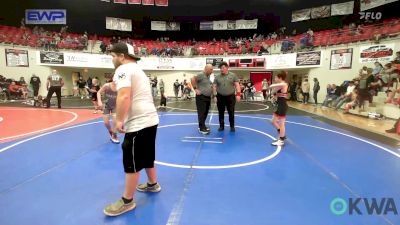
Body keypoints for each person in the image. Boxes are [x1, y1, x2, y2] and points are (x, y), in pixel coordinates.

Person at [104, 43, 160, 216]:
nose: (112, 59)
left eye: (113, 56)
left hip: (138, 122)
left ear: (121, 56)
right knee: (147, 154)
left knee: (132, 159)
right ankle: (153, 184)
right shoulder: (136, 69)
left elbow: (124, 95)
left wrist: (119, 120)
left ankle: (127, 201)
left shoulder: (123, 69)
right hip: (150, 119)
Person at [213, 61, 241, 132]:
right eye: (220, 68)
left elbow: (237, 85)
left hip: (230, 97)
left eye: (223, 68)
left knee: (231, 112)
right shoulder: (217, 77)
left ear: (227, 68)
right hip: (220, 97)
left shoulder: (233, 75)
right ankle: (221, 126)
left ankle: (232, 126)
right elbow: (214, 86)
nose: (221, 69)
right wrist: (214, 96)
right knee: (220, 112)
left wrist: (238, 94)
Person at [191, 64, 214, 134]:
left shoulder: (208, 76)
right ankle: (201, 128)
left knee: (206, 112)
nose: (212, 71)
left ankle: (203, 125)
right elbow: (192, 79)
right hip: (201, 97)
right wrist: (195, 89)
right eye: (211, 70)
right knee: (202, 112)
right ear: (206, 69)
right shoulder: (201, 74)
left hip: (207, 97)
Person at [268, 71, 288, 146]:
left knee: (281, 123)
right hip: (279, 105)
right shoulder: (279, 85)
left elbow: (272, 87)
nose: (275, 78)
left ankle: (281, 140)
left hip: (282, 105)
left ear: (280, 78)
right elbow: (273, 92)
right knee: (273, 121)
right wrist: (273, 96)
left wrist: (271, 87)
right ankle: (282, 134)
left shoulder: (284, 84)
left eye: (276, 77)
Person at [97, 77, 119, 143]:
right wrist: (99, 101)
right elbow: (98, 92)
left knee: (115, 122)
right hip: (106, 105)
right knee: (106, 123)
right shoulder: (107, 85)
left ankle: (114, 136)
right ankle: (111, 131)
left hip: (115, 106)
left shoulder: (120, 87)